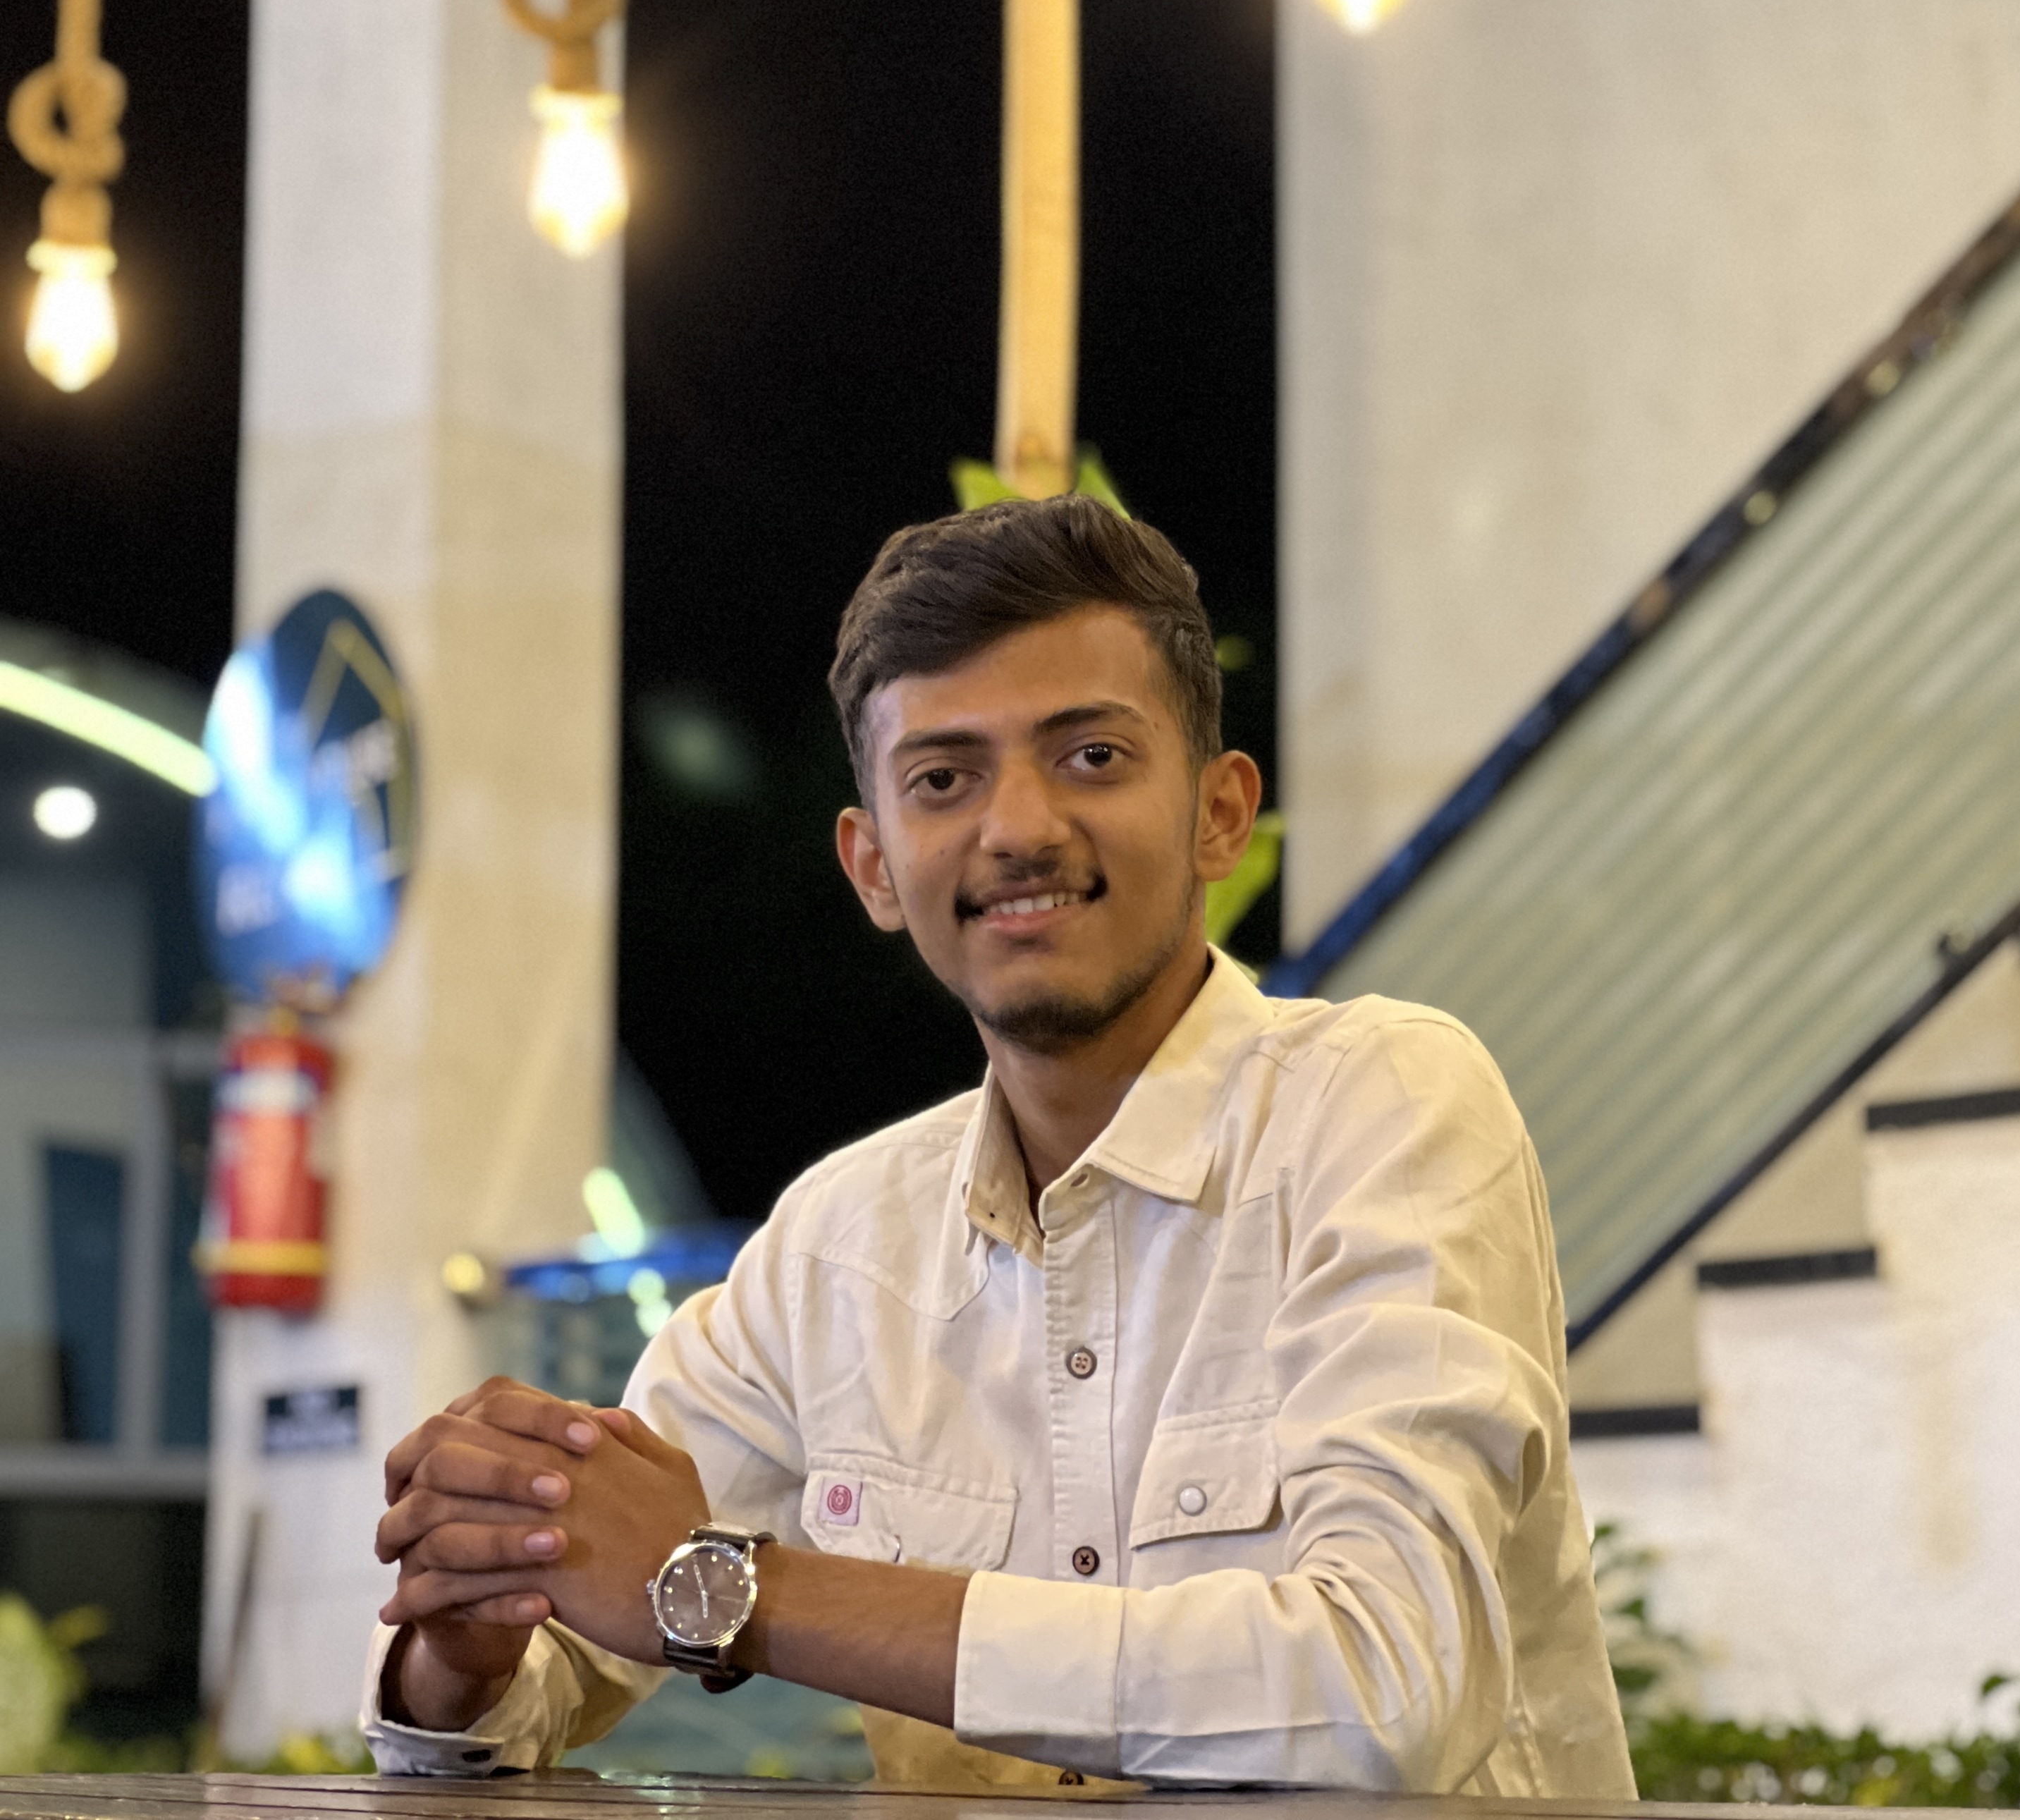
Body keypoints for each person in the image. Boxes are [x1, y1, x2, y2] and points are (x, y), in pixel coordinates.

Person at [360, 495, 1634, 1792]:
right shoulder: (835, 1247)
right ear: (873, 865)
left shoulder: (1385, 1102)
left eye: (1091, 755)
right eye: (942, 778)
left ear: (1219, 814)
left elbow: (1386, 1686)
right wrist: (473, 1612)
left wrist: (733, 1590)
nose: (1017, 827)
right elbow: (545, 1652)